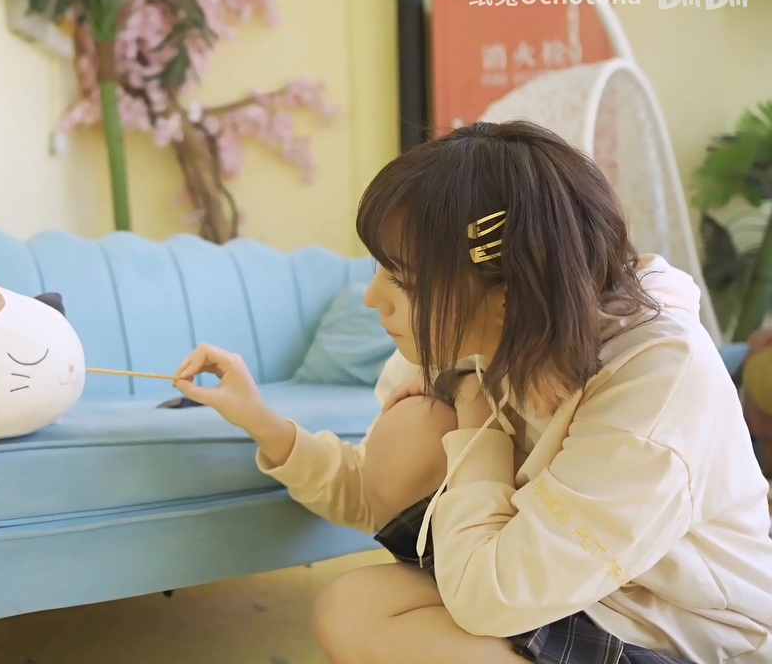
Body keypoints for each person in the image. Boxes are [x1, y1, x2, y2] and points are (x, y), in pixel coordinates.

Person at [172, 120, 772, 664]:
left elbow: (493, 599)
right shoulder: (475, 338)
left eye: (402, 279)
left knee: (378, 614)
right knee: (355, 601)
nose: (373, 299)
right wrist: (260, 419)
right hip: (564, 591)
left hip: (683, 632)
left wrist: (475, 420)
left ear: (507, 293)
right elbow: (377, 493)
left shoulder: (656, 383)